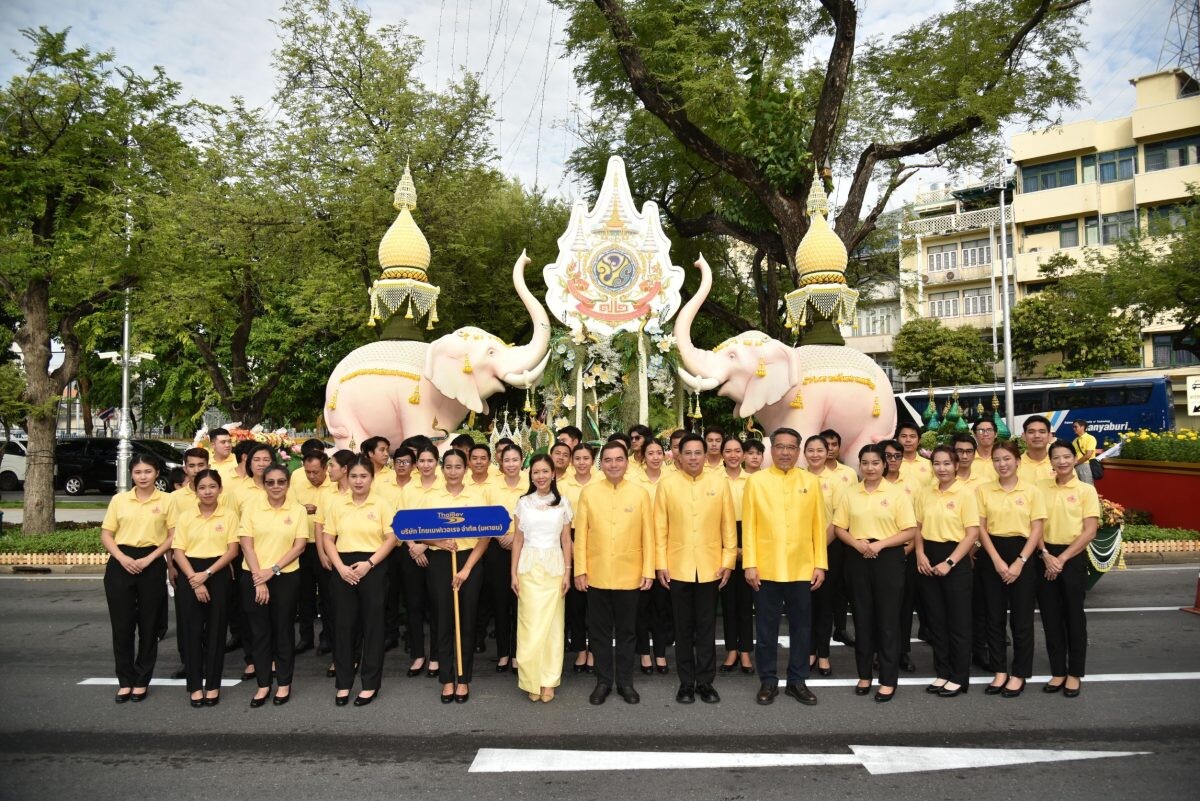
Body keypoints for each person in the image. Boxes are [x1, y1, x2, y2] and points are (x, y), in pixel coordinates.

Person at [742, 428, 827, 707]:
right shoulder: (756, 482)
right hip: (765, 568)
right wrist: (750, 563)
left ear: (799, 450)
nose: (786, 452)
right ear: (771, 450)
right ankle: (767, 680)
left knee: (802, 629)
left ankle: (797, 681)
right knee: (766, 630)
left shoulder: (810, 482)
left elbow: (818, 526)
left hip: (802, 567)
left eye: (791, 447)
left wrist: (820, 564)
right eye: (780, 447)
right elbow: (749, 527)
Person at [654, 433, 736, 704]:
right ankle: (686, 683)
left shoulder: (719, 483)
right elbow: (660, 528)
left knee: (706, 627)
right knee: (682, 628)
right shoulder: (667, 485)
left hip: (711, 566)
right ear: (678, 455)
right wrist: (660, 564)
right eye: (687, 453)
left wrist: (728, 562)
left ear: (706, 454)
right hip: (677, 567)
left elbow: (728, 526)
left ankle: (705, 682)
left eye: (697, 453)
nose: (692, 458)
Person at [833, 443, 917, 703]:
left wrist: (880, 544)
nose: (870, 468)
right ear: (860, 465)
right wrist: (856, 543)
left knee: (888, 620)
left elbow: (909, 530)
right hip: (858, 557)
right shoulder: (850, 493)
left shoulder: (897, 494)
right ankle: (864, 674)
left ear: (885, 464)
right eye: (865, 463)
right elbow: (839, 527)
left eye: (876, 463)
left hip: (888, 558)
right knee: (862, 618)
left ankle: (888, 679)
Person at [574, 441, 654, 706]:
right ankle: (603, 681)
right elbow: (581, 536)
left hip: (630, 575)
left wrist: (648, 570)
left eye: (619, 460)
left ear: (626, 463)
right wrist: (580, 570)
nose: (613, 465)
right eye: (608, 460)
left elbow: (648, 536)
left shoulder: (640, 494)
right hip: (596, 574)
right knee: (599, 633)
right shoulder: (589, 493)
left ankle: (626, 682)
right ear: (602, 464)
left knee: (628, 632)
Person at [323, 455, 399, 706]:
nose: (358, 481)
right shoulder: (337, 504)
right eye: (354, 476)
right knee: (344, 627)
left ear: (372, 478)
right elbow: (328, 539)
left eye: (363, 476)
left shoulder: (382, 504)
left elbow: (390, 539)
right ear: (348, 476)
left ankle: (369, 684)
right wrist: (341, 568)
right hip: (343, 567)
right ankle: (343, 683)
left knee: (373, 627)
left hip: (372, 567)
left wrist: (369, 564)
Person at [418, 449, 492, 704]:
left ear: (466, 469)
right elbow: (416, 532)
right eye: (448, 466)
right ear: (442, 468)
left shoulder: (478, 495)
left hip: (469, 561)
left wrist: (467, 569)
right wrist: (438, 541)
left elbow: (486, 536)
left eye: (458, 467)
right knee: (443, 620)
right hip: (440, 560)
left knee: (467, 621)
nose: (452, 471)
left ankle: (463, 678)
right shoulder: (431, 497)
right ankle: (447, 680)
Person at [976, 439, 1047, 698]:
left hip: (1023, 555)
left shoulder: (1032, 491)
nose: (1002, 464)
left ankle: (1019, 673)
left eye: (1007, 459)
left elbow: (1037, 528)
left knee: (1022, 619)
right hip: (992, 554)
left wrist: (1020, 561)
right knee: (993, 618)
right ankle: (999, 671)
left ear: (1018, 461)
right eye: (997, 460)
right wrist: (995, 559)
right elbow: (981, 528)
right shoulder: (983, 490)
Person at [100, 454, 172, 703]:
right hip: (121, 563)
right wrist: (122, 558)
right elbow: (107, 534)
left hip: (151, 563)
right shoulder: (119, 500)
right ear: (131, 474)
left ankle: (142, 679)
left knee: (149, 625)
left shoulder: (167, 500)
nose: (143, 476)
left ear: (157, 474)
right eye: (138, 472)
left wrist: (149, 559)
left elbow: (172, 536)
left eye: (148, 472)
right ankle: (125, 679)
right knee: (122, 626)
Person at [237, 463, 308, 707]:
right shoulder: (251, 507)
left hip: (285, 577)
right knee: (259, 633)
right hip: (254, 576)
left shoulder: (297, 510)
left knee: (284, 631)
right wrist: (260, 577)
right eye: (270, 482)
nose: (276, 486)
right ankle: (263, 684)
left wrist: (273, 570)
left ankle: (284, 683)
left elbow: (299, 546)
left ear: (288, 484)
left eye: (281, 482)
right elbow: (246, 543)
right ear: (264, 484)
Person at [914, 446, 980, 698]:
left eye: (947, 464)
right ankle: (942, 672)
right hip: (928, 559)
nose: (941, 469)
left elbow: (972, 534)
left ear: (956, 465)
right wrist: (920, 554)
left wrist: (949, 563)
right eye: (937, 464)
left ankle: (959, 676)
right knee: (936, 622)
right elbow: (917, 527)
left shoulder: (966, 493)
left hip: (955, 561)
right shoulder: (925, 492)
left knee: (958, 622)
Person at [172, 469, 239, 706]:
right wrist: (193, 578)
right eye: (202, 487)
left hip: (218, 573)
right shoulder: (186, 516)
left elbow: (232, 550)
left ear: (220, 489)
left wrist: (207, 574)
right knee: (191, 632)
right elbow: (178, 551)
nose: (207, 491)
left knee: (216, 632)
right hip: (190, 571)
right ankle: (194, 686)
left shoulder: (229, 515)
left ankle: (212, 685)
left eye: (212, 487)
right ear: (194, 490)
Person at [1037, 440, 1100, 698]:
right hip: (1045, 556)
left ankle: (1074, 673)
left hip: (1072, 557)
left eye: (1066, 457)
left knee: (1074, 616)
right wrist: (1044, 554)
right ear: (1050, 461)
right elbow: (1035, 525)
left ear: (1074, 459)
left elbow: (1090, 531)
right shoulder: (1039, 488)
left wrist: (1060, 559)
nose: (1061, 461)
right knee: (1050, 617)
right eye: (1056, 457)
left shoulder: (1086, 490)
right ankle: (1058, 671)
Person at [511, 454, 574, 702]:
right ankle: (530, 680)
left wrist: (568, 572)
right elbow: (517, 540)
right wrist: (513, 573)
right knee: (529, 627)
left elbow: (567, 540)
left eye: (545, 472)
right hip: (528, 569)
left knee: (553, 627)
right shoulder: (522, 503)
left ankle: (549, 681)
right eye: (536, 472)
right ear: (531, 475)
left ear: (553, 474)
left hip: (554, 569)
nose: (540, 476)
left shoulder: (563, 503)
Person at [399, 445, 444, 678]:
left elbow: (447, 523)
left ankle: (436, 655)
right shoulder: (408, 488)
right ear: (416, 464)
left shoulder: (445, 487)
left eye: (430, 460)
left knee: (436, 605)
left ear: (437, 462)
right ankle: (418, 654)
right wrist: (413, 547)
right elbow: (400, 522)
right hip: (411, 550)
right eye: (422, 461)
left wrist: (426, 545)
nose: (426, 465)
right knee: (413, 605)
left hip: (437, 550)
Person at [803, 434, 846, 677]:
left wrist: (819, 547)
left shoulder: (838, 479)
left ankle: (824, 654)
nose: (816, 454)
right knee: (806, 603)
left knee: (826, 604)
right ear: (805, 453)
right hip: (801, 549)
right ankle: (809, 650)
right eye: (811, 450)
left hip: (830, 546)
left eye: (821, 450)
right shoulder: (798, 476)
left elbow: (839, 518)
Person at [483, 444, 526, 673]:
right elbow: (484, 516)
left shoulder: (531, 483)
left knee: (521, 603)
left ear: (522, 460)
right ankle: (502, 653)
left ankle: (519, 653)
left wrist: (517, 537)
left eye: (515, 460)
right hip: (497, 548)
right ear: (501, 462)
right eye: (507, 460)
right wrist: (502, 535)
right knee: (500, 602)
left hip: (526, 548)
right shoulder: (491, 487)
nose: (510, 464)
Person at [633, 437, 672, 674]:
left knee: (662, 606)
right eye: (651, 453)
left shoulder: (673, 478)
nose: (656, 457)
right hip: (638, 547)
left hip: (667, 547)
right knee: (641, 607)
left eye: (659, 453)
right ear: (643, 456)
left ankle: (660, 653)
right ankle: (644, 654)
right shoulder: (633, 479)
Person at [288, 451, 331, 655]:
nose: (311, 476)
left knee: (326, 594)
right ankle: (305, 637)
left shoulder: (334, 483)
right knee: (303, 594)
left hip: (325, 546)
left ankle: (327, 637)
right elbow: (287, 506)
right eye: (308, 472)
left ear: (325, 468)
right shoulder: (296, 480)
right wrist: (300, 508)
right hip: (301, 545)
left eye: (316, 472)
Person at [883, 438, 920, 673]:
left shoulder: (913, 483)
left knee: (904, 606)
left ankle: (902, 651)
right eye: (888, 456)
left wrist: (908, 548)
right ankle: (881, 651)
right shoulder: (870, 481)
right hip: (879, 555)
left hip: (908, 550)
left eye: (897, 456)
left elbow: (919, 521)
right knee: (881, 607)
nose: (893, 460)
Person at [720, 435, 755, 675]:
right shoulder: (713, 480)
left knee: (746, 601)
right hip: (721, 538)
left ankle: (745, 652)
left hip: (749, 537)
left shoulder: (754, 481)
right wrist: (728, 549)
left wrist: (747, 549)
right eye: (728, 451)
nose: (733, 455)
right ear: (722, 454)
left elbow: (761, 518)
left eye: (737, 451)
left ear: (743, 455)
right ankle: (731, 649)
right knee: (727, 601)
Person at [818, 428, 855, 647]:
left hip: (845, 537)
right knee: (823, 587)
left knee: (842, 585)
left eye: (834, 445)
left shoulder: (849, 473)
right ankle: (820, 632)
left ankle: (840, 628)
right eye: (826, 445)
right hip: (819, 539)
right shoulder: (809, 472)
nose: (830, 449)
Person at [561, 443, 597, 674]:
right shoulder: (562, 484)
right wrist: (572, 546)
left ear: (593, 461)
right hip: (568, 539)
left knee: (595, 602)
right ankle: (580, 650)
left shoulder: (602, 481)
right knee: (575, 603)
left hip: (597, 542)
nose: (582, 462)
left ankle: (594, 650)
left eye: (586, 458)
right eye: (578, 458)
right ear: (572, 461)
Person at [1018, 415, 1054, 485]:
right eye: (1031, 432)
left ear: (1050, 436)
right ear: (1024, 436)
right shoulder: (1015, 465)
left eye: (1042, 432)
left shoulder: (1061, 464)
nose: (1037, 436)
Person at [895, 422, 933, 487]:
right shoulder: (891, 464)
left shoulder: (930, 464)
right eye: (904, 436)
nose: (908, 440)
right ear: (897, 440)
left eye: (912, 436)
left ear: (919, 441)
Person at [1070, 420, 1098, 486]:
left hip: (1085, 465)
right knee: (1077, 488)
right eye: (1073, 427)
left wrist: (1076, 463)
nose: (1073, 428)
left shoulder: (1090, 438)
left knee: (1087, 487)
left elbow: (1088, 455)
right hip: (1075, 466)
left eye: (1075, 427)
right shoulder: (1075, 440)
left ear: (1082, 427)